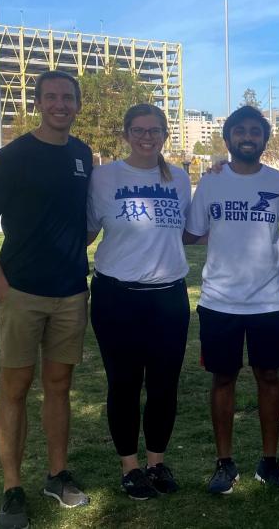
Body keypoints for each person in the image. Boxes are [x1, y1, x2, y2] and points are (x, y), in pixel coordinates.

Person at [0, 70, 93, 529]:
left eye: (68, 98)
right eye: (52, 97)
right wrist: (3, 290)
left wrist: (79, 248)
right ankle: (12, 488)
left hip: (71, 294)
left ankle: (57, 475)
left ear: (77, 104)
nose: (61, 104)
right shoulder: (12, 156)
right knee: (14, 391)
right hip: (21, 293)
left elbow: (86, 218)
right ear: (39, 103)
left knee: (60, 387)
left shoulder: (83, 154)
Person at [183, 105, 279, 494]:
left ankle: (269, 461)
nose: (248, 137)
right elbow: (194, 231)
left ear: (265, 140)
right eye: (240, 131)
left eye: (255, 131)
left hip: (268, 301)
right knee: (223, 378)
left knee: (269, 377)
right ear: (228, 138)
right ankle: (224, 462)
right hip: (219, 300)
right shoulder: (211, 182)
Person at [86, 103, 192, 500]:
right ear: (126, 134)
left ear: (166, 135)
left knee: (165, 385)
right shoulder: (104, 177)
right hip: (117, 297)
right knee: (125, 384)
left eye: (155, 131)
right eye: (139, 130)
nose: (147, 137)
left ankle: (157, 462)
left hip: (168, 296)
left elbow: (186, 230)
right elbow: (86, 229)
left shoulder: (180, 178)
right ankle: (130, 467)